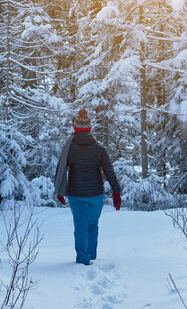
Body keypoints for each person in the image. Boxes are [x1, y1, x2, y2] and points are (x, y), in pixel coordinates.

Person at [54, 108, 122, 265]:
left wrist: (59, 191)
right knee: (92, 225)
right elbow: (110, 172)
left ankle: (83, 259)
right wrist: (116, 193)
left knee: (80, 226)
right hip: (96, 194)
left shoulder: (69, 148)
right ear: (90, 128)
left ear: (75, 128)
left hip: (76, 194)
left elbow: (61, 169)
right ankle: (91, 256)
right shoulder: (99, 148)